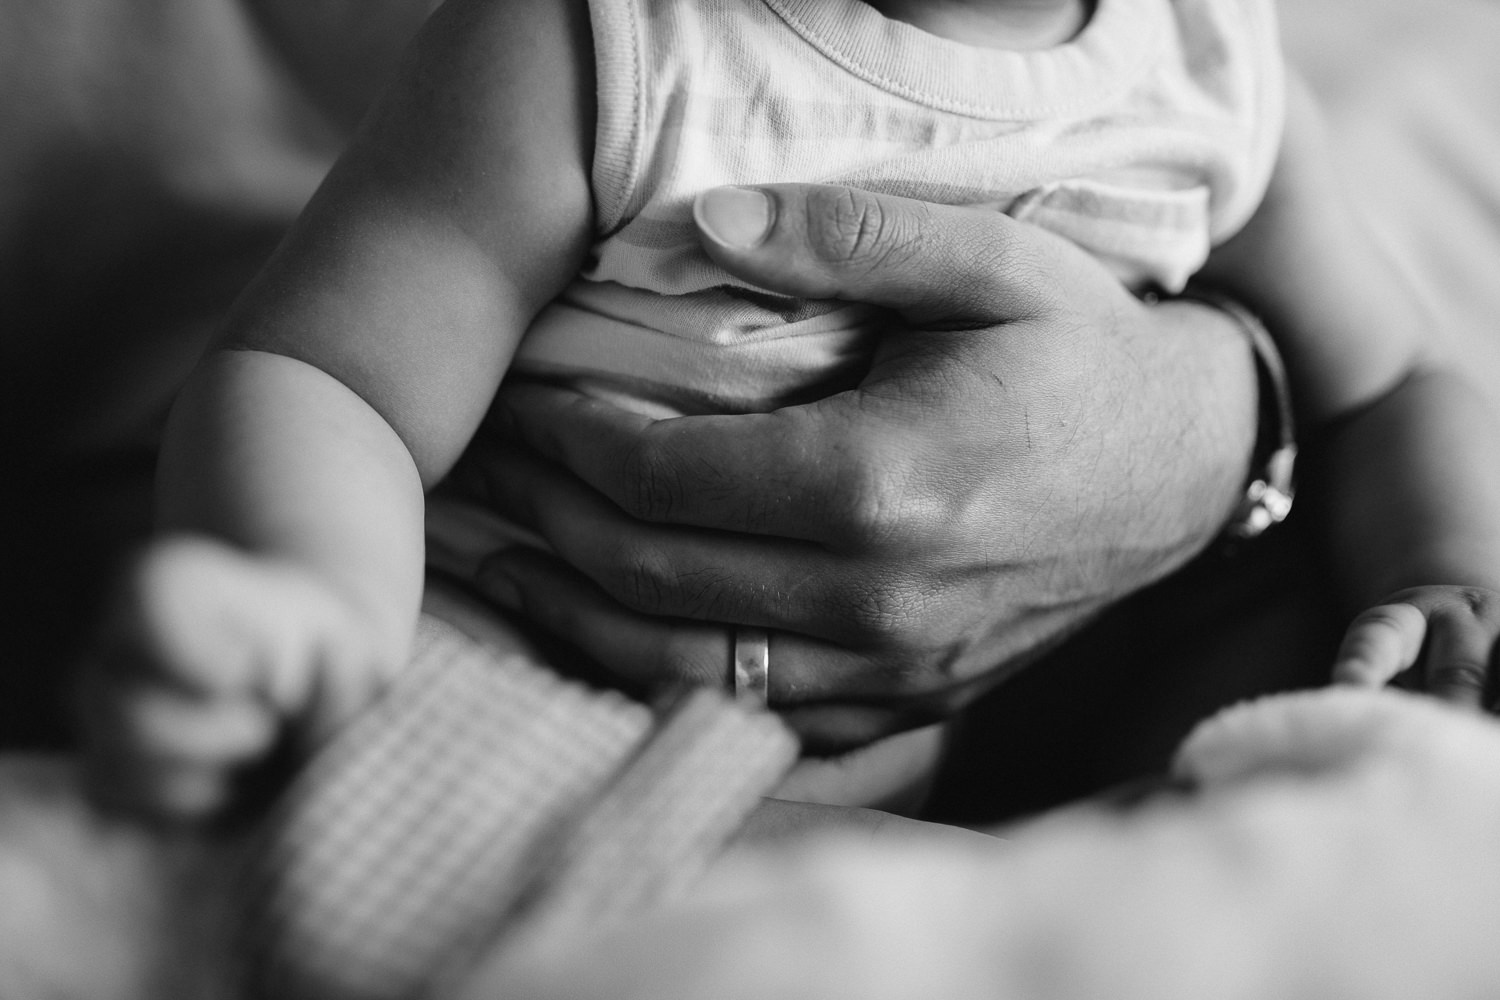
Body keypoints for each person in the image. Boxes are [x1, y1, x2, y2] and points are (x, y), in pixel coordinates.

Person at [77, 0, 1500, 823]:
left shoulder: (1209, 63)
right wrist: (310, 597)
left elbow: (1390, 385)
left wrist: (1449, 579)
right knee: (405, 767)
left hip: (1013, 720)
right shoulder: (610, 42)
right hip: (558, 688)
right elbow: (338, 379)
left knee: (1307, 636)